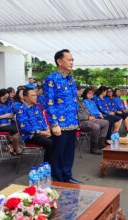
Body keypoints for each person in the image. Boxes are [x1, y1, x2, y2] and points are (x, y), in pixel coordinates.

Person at [44, 49, 83, 184]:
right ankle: (58, 179)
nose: (72, 62)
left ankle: (67, 176)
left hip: (72, 122)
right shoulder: (52, 79)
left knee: (69, 153)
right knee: (58, 153)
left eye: (72, 60)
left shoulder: (71, 79)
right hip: (59, 124)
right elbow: (49, 103)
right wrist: (54, 124)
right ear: (59, 61)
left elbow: (73, 101)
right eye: (69, 59)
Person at [16, 88, 53, 163]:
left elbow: (42, 121)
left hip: (41, 132)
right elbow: (25, 128)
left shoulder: (36, 107)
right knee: (50, 143)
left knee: (59, 138)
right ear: (25, 97)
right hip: (30, 135)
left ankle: (55, 162)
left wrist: (47, 129)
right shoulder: (21, 109)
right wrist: (41, 132)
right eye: (33, 95)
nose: (35, 97)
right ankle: (47, 165)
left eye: (36, 95)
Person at [79, 88, 109, 155]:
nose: (79, 93)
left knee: (106, 122)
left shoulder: (83, 101)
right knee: (96, 126)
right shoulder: (79, 102)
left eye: (80, 91)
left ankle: (101, 143)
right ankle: (94, 147)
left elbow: (88, 111)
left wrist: (92, 116)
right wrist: (88, 117)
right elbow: (77, 114)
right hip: (81, 121)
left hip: (90, 118)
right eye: (78, 91)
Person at [0, 89, 22, 155]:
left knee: (20, 127)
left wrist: (11, 115)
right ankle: (16, 148)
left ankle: (11, 147)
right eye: (4, 98)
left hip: (9, 122)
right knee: (15, 130)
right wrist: (3, 116)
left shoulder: (8, 103)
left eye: (7, 98)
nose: (6, 99)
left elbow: (13, 112)